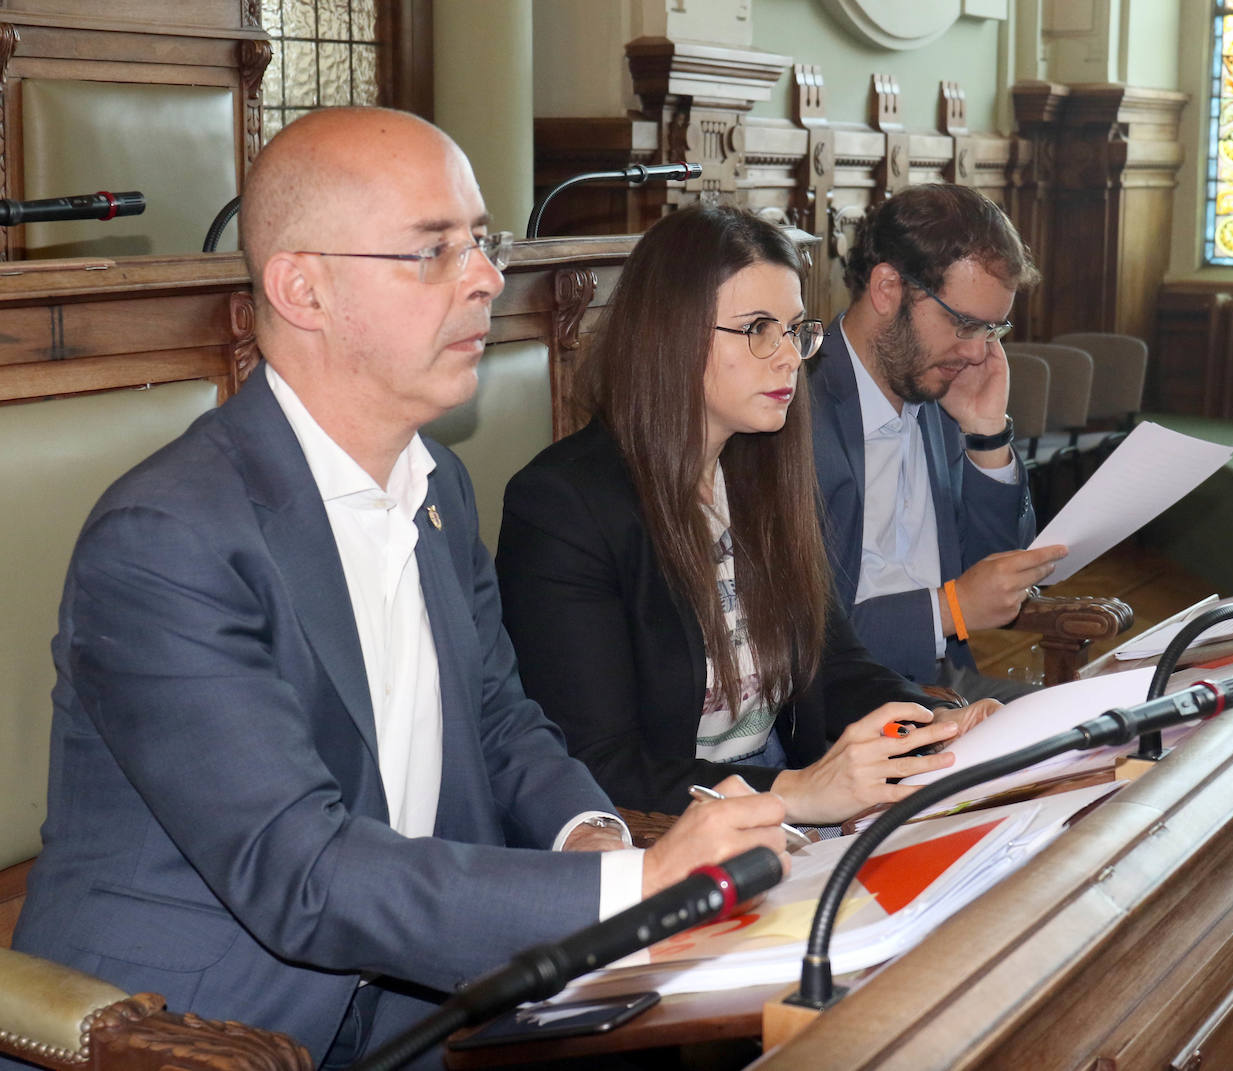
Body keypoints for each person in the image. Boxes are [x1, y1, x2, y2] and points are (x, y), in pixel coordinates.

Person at [10, 108, 790, 1068]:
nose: (488, 279)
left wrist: (591, 837)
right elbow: (298, 871)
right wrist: (628, 887)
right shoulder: (168, 538)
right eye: (433, 252)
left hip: (415, 1003)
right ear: (304, 288)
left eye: (481, 242)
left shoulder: (437, 486)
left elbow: (500, 719)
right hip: (199, 1027)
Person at [496, 204, 995, 825]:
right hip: (663, 833)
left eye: (793, 329)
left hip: (783, 803)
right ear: (670, 334)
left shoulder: (762, 471)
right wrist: (792, 794)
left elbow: (833, 664)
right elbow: (595, 762)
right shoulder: (563, 507)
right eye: (758, 328)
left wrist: (925, 723)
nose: (789, 357)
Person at [809, 184, 1068, 700]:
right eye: (964, 323)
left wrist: (987, 431)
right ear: (887, 288)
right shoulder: (795, 408)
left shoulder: (938, 389)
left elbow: (993, 576)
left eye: (993, 329)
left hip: (943, 685)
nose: (977, 353)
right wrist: (949, 610)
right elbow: (796, 642)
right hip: (835, 711)